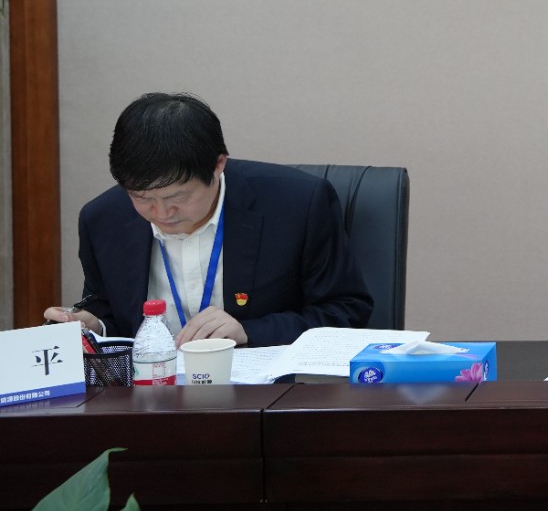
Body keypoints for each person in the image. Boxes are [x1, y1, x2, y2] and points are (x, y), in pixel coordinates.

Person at [44, 92, 372, 347]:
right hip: (152, 396)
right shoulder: (103, 219)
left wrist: (249, 331)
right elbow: (111, 313)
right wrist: (93, 326)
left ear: (218, 165)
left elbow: (346, 310)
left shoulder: (297, 204)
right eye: (142, 198)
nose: (161, 213)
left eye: (177, 197)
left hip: (262, 397)